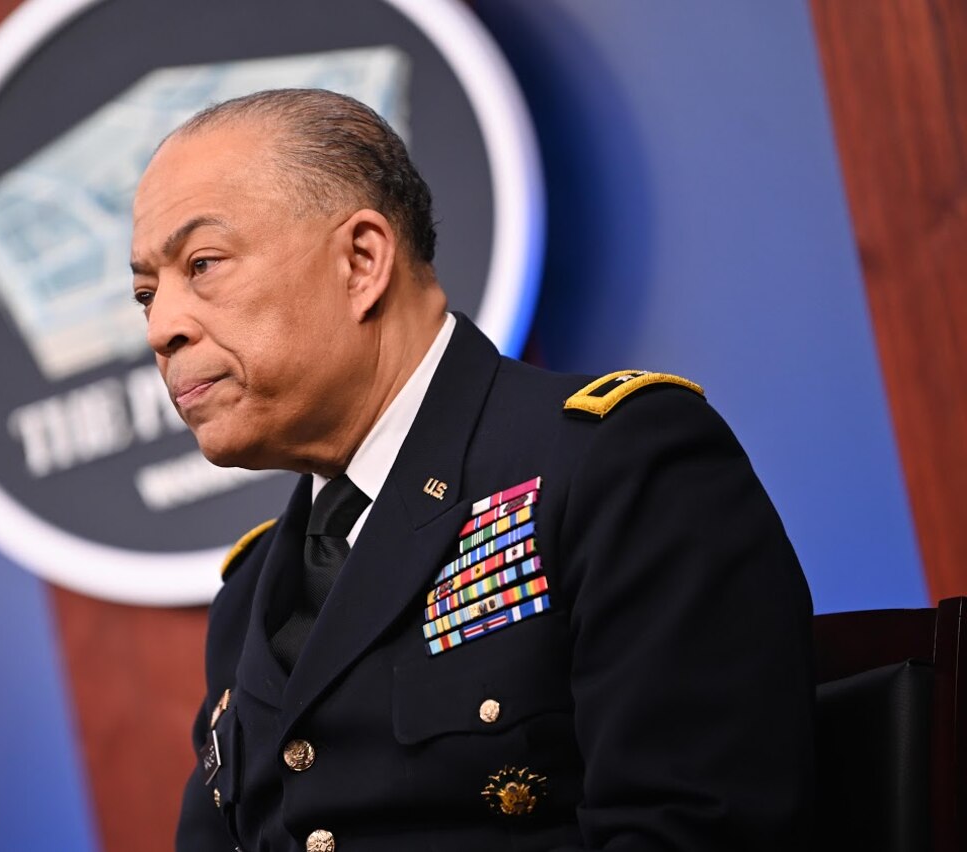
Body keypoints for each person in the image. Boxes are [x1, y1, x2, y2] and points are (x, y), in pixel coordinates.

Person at [130, 89, 813, 852]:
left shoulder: (617, 466)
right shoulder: (253, 589)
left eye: (203, 265)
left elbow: (689, 831)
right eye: (146, 294)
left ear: (361, 261)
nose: (163, 328)